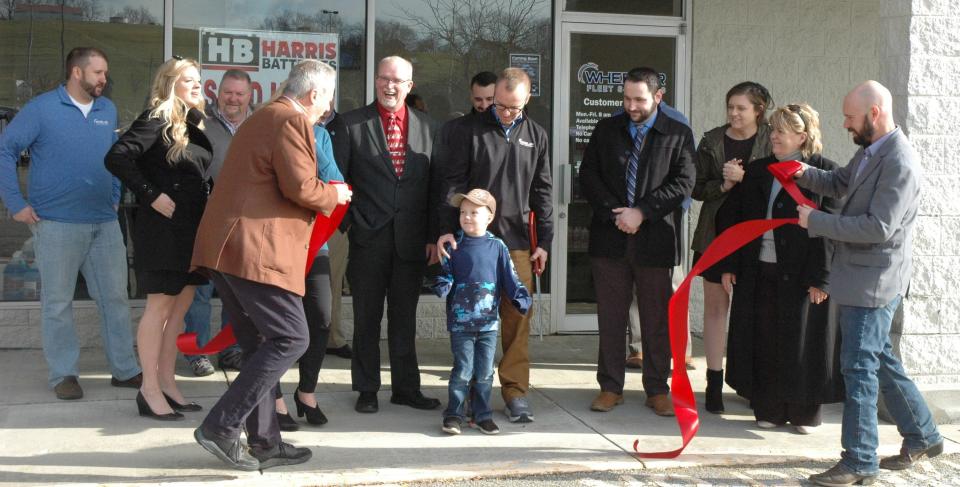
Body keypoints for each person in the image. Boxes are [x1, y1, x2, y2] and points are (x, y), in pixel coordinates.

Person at [191, 59, 352, 471]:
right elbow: (300, 186)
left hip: (231, 249)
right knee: (291, 338)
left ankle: (266, 442)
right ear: (314, 94)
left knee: (260, 344)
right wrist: (335, 195)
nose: (327, 107)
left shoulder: (264, 115)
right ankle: (221, 426)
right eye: (327, 98)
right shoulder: (290, 120)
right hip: (253, 251)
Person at [798, 81, 944, 486]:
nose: (845, 124)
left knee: (858, 367)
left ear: (874, 113)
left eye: (850, 117)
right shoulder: (871, 150)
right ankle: (924, 435)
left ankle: (860, 460)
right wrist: (804, 172)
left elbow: (878, 228)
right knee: (879, 359)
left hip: (874, 283)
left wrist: (816, 222)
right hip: (864, 278)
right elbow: (841, 183)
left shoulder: (900, 161)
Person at [0, 47, 142, 400]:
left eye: (105, 73)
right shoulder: (41, 109)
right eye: (98, 73)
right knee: (58, 303)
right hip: (56, 225)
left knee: (115, 299)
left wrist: (113, 191)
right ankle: (63, 374)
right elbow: (5, 149)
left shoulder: (106, 110)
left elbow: (114, 155)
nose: (103, 80)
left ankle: (124, 369)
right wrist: (15, 203)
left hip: (104, 224)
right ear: (76, 73)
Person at [716, 103, 842, 434]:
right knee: (765, 341)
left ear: (802, 136)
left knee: (803, 344)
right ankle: (768, 407)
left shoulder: (826, 174)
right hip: (760, 272)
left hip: (806, 277)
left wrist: (823, 278)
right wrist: (730, 265)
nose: (773, 136)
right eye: (772, 130)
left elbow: (834, 231)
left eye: (781, 131)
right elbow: (734, 219)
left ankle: (803, 413)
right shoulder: (759, 171)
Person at [437, 67, 553, 423]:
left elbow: (543, 190)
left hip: (517, 242)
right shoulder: (468, 131)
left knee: (517, 317)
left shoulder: (537, 135)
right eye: (499, 105)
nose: (504, 113)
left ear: (526, 101)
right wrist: (445, 229)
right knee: (473, 320)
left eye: (512, 108)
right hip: (474, 243)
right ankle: (473, 393)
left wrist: (544, 241)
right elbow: (451, 183)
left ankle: (516, 392)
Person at [578, 67, 695, 416]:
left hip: (656, 240)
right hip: (610, 238)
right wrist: (615, 212)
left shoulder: (677, 133)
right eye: (626, 98)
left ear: (658, 97)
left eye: (639, 99)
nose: (631, 105)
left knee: (655, 319)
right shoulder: (606, 129)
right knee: (611, 318)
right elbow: (588, 175)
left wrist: (642, 212)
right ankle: (610, 387)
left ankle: (657, 388)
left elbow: (683, 183)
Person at [105, 57, 211, 420]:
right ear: (169, 84)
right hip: (162, 230)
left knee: (179, 310)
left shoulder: (193, 123)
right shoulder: (157, 118)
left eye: (198, 80)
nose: (197, 85)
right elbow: (117, 157)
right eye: (188, 80)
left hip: (192, 230)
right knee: (159, 308)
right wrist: (150, 193)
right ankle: (148, 388)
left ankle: (167, 383)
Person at [335, 55, 440, 414]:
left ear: (410, 86)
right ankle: (366, 388)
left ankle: (406, 388)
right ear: (375, 81)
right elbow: (336, 180)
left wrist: (432, 235)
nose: (390, 86)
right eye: (384, 78)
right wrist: (351, 223)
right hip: (368, 239)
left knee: (404, 319)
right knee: (366, 318)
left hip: (411, 241)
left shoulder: (428, 127)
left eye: (398, 81)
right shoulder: (350, 124)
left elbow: (434, 187)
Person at [690, 81, 774, 413]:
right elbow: (695, 187)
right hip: (716, 232)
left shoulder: (772, 137)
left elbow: (782, 180)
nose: (734, 114)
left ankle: (753, 383)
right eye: (730, 107)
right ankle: (713, 381)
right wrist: (722, 184)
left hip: (758, 236)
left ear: (759, 110)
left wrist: (746, 178)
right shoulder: (712, 140)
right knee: (715, 309)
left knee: (754, 311)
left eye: (741, 108)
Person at [433, 189, 531, 436]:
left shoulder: (497, 247)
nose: (466, 217)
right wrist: (442, 284)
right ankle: (454, 414)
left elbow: (510, 278)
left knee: (485, 372)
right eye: (463, 212)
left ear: (489, 217)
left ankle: (482, 415)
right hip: (460, 324)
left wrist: (520, 297)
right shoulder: (454, 245)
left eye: (473, 213)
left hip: (488, 324)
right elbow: (446, 273)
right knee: (462, 371)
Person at [182, 69, 253, 377]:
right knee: (199, 291)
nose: (233, 99)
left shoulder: (259, 126)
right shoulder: (201, 125)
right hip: (206, 223)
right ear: (217, 93)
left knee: (237, 293)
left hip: (246, 224)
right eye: (228, 92)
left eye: (239, 93)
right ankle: (197, 353)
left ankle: (232, 349)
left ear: (250, 96)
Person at [322, 100, 353, 361]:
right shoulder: (295, 124)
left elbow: (358, 170)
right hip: (298, 220)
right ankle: (299, 340)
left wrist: (349, 218)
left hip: (337, 221)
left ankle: (333, 338)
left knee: (332, 282)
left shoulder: (347, 126)